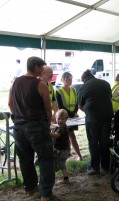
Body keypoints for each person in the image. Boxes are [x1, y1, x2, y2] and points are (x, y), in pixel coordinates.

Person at [8, 56, 55, 200]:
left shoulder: (15, 82)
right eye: (41, 67)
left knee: (25, 159)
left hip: (18, 128)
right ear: (35, 67)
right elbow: (48, 109)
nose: (42, 71)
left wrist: (19, 116)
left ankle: (30, 188)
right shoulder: (40, 84)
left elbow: (10, 104)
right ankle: (45, 194)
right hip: (35, 125)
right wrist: (47, 124)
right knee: (45, 158)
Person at [77, 69, 113, 175]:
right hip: (107, 115)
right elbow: (109, 98)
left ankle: (94, 167)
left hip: (92, 117)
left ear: (84, 79)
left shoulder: (83, 87)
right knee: (104, 141)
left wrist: (88, 112)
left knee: (93, 142)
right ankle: (105, 166)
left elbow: (80, 106)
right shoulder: (105, 83)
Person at [55, 72, 83, 161]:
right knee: (70, 136)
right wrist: (71, 114)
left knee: (71, 136)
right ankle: (77, 155)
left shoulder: (74, 90)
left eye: (71, 79)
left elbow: (76, 104)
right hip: (65, 118)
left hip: (73, 117)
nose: (69, 81)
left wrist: (74, 113)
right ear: (62, 80)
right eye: (67, 79)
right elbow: (60, 106)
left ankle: (72, 154)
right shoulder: (58, 91)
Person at [50, 109, 70, 184]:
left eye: (62, 119)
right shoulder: (59, 127)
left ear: (66, 119)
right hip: (61, 149)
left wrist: (47, 133)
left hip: (63, 151)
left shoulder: (62, 128)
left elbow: (56, 135)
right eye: (58, 118)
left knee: (61, 164)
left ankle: (66, 179)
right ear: (55, 118)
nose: (60, 121)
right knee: (60, 164)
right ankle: (65, 178)